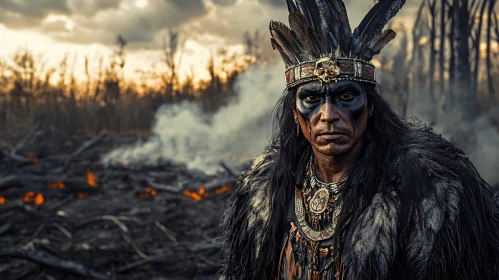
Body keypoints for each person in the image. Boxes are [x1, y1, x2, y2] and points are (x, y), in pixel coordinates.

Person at [221, 0, 499, 279]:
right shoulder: (263, 190)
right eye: (312, 99)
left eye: (346, 97)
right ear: (295, 113)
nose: (328, 115)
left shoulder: (427, 187)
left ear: (370, 107)